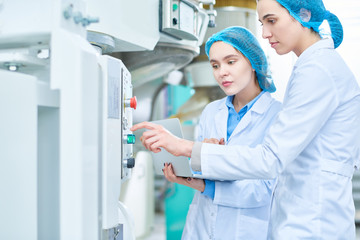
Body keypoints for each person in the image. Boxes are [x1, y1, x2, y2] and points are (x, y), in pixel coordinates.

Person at [132, 0, 360, 239]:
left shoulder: (317, 71)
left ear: (303, 13)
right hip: (298, 219)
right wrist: (195, 171)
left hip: (314, 224)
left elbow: (269, 160)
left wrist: (185, 147)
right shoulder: (308, 68)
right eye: (215, 65)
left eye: (272, 20)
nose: (265, 33)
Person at [162, 26, 281, 240]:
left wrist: (207, 180)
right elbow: (199, 170)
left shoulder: (277, 116)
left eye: (231, 62)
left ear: (253, 62)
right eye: (215, 65)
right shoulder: (211, 111)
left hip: (245, 230)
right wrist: (190, 170)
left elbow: (264, 190)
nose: (221, 72)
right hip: (201, 227)